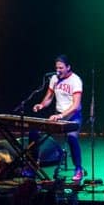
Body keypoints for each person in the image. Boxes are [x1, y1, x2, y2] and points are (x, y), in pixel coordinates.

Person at [33, 54, 84, 182]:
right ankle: (32, 166)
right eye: (57, 67)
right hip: (58, 115)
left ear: (68, 67)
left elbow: (76, 105)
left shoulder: (75, 80)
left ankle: (78, 169)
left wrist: (61, 116)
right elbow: (49, 97)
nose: (58, 70)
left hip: (73, 117)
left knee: (72, 138)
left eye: (61, 68)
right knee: (34, 133)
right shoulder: (54, 79)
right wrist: (41, 105)